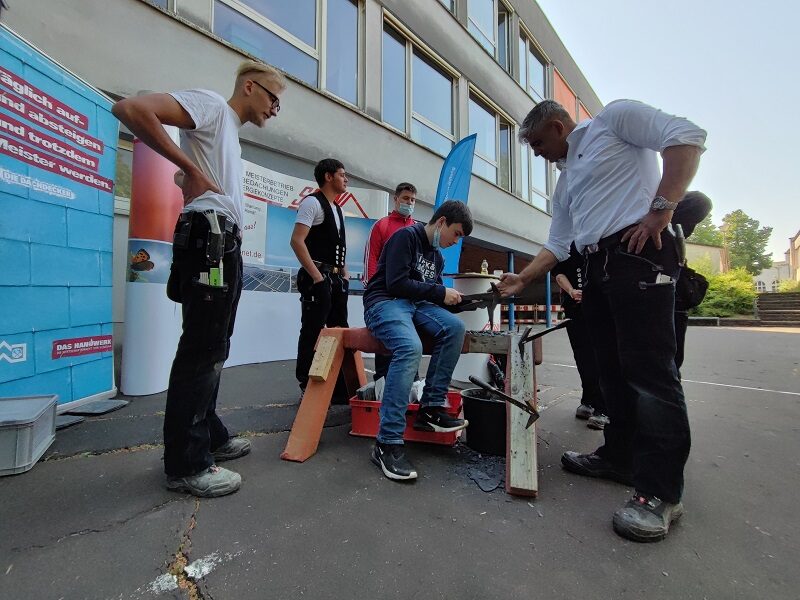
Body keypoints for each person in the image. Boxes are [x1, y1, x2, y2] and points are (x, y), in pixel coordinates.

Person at [498, 99, 706, 542]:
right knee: (610, 372)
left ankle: (661, 492)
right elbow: (558, 240)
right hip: (596, 267)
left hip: (640, 254)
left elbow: (687, 136)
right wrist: (523, 279)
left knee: (651, 375)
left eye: (538, 144)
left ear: (558, 127)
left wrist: (662, 208)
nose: (537, 154)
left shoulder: (613, 121)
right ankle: (620, 458)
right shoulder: (568, 180)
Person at [111, 60, 286, 497]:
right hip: (208, 237)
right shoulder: (211, 106)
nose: (275, 109)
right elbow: (131, 109)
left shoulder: (226, 132)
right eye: (273, 98)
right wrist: (189, 168)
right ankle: (187, 463)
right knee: (201, 351)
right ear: (250, 87)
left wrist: (192, 170)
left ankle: (208, 432)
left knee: (216, 346)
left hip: (223, 241)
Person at [363, 200, 472, 481]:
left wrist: (458, 302)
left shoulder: (437, 257)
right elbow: (396, 283)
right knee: (410, 347)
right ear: (442, 221)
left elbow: (429, 294)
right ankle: (387, 443)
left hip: (415, 305)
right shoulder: (405, 236)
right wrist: (440, 294)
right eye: (457, 233)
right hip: (386, 301)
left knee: (455, 328)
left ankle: (431, 409)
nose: (455, 241)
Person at [290, 159, 350, 400]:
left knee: (339, 331)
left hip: (336, 280)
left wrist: (343, 272)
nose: (346, 179)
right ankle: (306, 380)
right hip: (317, 278)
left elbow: (339, 245)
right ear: (328, 177)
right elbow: (297, 241)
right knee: (313, 330)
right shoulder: (311, 203)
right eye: (342, 175)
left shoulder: (339, 209)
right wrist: (317, 277)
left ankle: (337, 383)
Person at [363, 182, 418, 381]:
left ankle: (413, 386)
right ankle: (381, 383)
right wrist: (372, 290)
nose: (409, 203)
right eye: (405, 198)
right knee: (386, 342)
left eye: (412, 200)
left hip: (408, 297)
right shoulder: (382, 225)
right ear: (395, 199)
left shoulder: (416, 228)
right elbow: (371, 258)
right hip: (384, 297)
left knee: (411, 341)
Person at [552, 244, 609, 430]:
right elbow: (559, 273)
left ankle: (604, 409)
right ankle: (588, 400)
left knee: (602, 356)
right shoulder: (569, 246)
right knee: (582, 356)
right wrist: (571, 291)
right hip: (575, 308)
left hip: (602, 308)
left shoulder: (600, 241)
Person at [671, 191, 713, 372]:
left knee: (669, 363)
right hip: (664, 294)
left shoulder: (673, 226)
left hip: (673, 294)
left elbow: (699, 202)